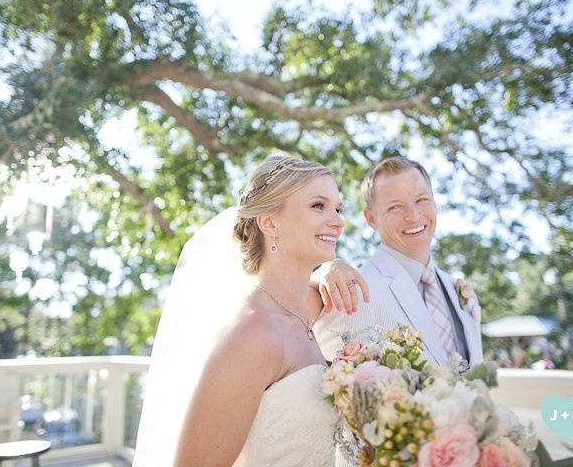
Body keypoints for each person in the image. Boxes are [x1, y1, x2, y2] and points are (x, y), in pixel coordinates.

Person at [133, 155, 350, 467]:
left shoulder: (304, 310)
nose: (339, 220)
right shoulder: (253, 334)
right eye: (318, 206)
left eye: (338, 208)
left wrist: (332, 267)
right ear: (269, 221)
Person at [312, 156, 483, 367]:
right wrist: (321, 273)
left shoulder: (460, 291)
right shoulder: (353, 291)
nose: (414, 215)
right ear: (371, 218)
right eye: (395, 207)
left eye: (421, 200)